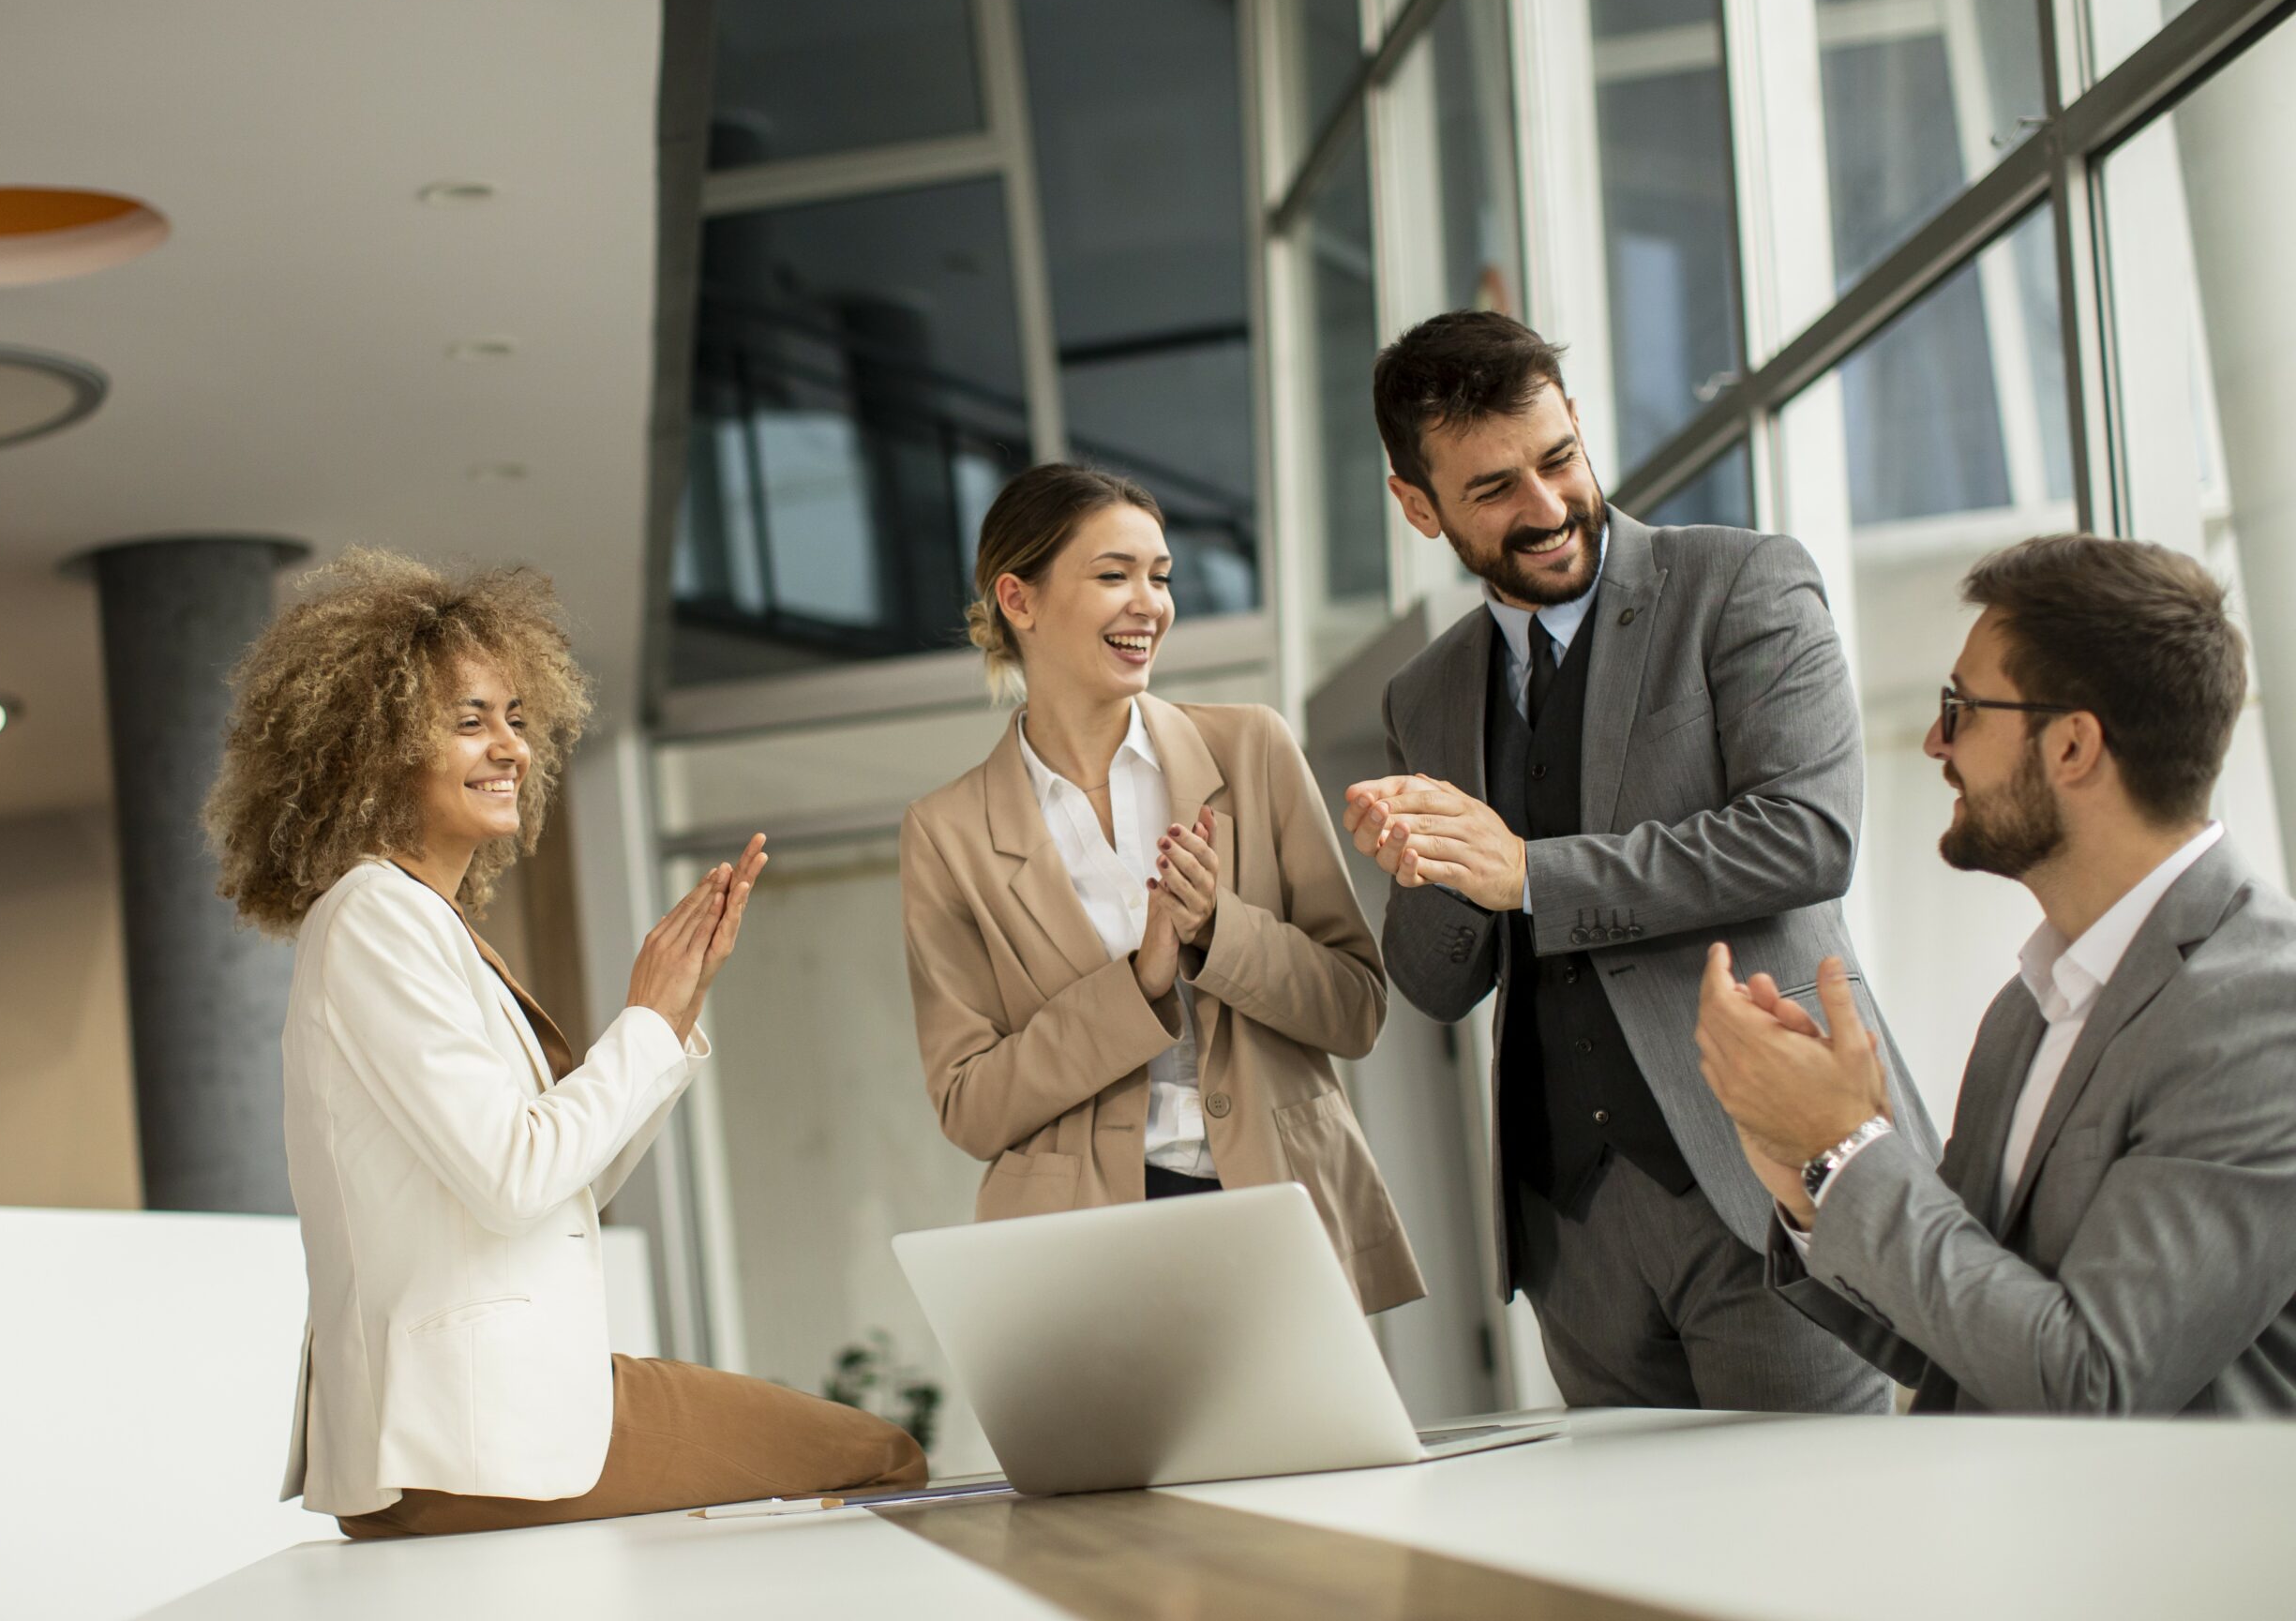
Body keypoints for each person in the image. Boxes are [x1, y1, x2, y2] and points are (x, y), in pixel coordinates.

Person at [207, 549, 924, 1538]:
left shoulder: (414, 920)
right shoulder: (375, 916)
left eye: (515, 717)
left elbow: (559, 1182)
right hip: (471, 1432)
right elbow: (516, 1174)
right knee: (881, 1456)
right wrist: (636, 1022)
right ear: (370, 749)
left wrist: (665, 1022)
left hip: (488, 1420)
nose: (510, 746)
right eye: (469, 720)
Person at [1347, 310, 1937, 1411]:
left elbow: (1807, 834)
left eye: (1558, 459)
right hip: (1570, 1231)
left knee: (1830, 1545)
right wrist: (1429, 874)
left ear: (1576, 422)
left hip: (1766, 1178)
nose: (1545, 507)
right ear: (1416, 506)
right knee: (1637, 1576)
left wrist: (1531, 873)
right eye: (1490, 490)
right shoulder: (1422, 695)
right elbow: (1434, 983)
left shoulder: (1741, 584)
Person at [1697, 534, 2296, 1415]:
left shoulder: (2264, 1011)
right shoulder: (2026, 1010)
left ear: (2072, 747)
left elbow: (2088, 1380)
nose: (1937, 740)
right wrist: (1811, 1176)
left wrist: (1849, 1148)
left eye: (1964, 706)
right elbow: (1944, 1332)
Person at [899, 464, 1425, 1313]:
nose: (1150, 602)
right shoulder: (947, 832)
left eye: (1161, 575)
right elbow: (969, 1105)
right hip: (1080, 1246)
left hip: (1276, 1204)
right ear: (1018, 600)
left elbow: (1356, 1008)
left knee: (1321, 1451)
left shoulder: (1253, 749)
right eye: (1114, 575)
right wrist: (1136, 986)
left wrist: (1222, 932)